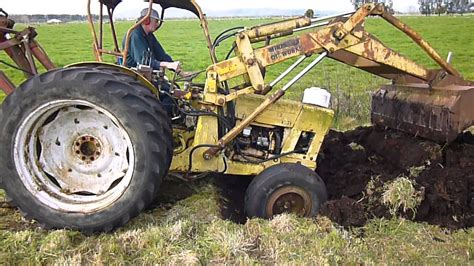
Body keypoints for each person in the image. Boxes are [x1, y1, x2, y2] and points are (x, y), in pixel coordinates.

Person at [123, 8, 181, 73]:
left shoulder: (149, 35)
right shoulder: (135, 35)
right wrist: (167, 64)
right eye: (156, 21)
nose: (157, 24)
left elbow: (161, 55)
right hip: (133, 73)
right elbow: (144, 62)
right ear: (146, 21)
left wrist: (178, 71)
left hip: (144, 71)